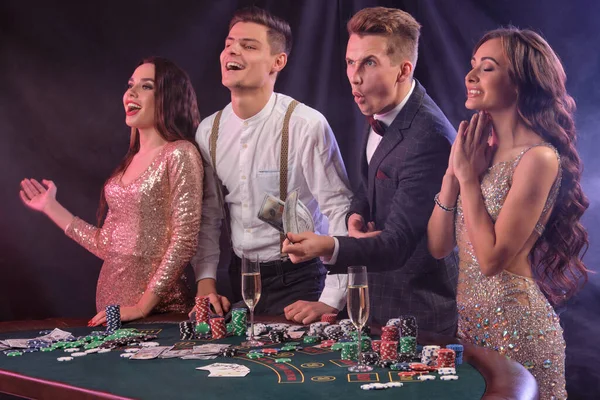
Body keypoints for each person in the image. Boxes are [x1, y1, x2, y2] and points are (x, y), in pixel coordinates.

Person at [426, 28, 589, 399]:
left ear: (520, 83)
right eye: (472, 67)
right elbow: (437, 246)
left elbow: (491, 261)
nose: (470, 77)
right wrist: (454, 174)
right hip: (471, 331)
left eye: (487, 68)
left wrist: (468, 178)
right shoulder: (479, 154)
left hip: (520, 331)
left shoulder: (539, 158)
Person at [283, 7, 458, 333]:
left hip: (416, 318)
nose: (354, 75)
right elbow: (370, 184)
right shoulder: (382, 106)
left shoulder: (429, 137)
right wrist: (355, 215)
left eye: (369, 62)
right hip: (373, 308)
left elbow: (397, 244)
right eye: (351, 62)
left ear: (403, 70)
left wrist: (327, 245)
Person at [192, 6, 353, 323]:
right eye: (229, 43)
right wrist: (205, 281)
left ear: (278, 62)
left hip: (300, 278)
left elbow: (339, 211)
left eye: (249, 46)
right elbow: (209, 217)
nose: (232, 51)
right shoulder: (207, 131)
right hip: (239, 276)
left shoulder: (306, 125)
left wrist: (332, 299)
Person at [19, 57, 203, 326]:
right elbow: (107, 245)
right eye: (130, 85)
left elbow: (185, 241)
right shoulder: (124, 170)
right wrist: (50, 206)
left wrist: (141, 307)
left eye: (146, 86)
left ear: (169, 97)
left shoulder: (179, 154)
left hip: (159, 314)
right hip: (113, 315)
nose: (131, 92)